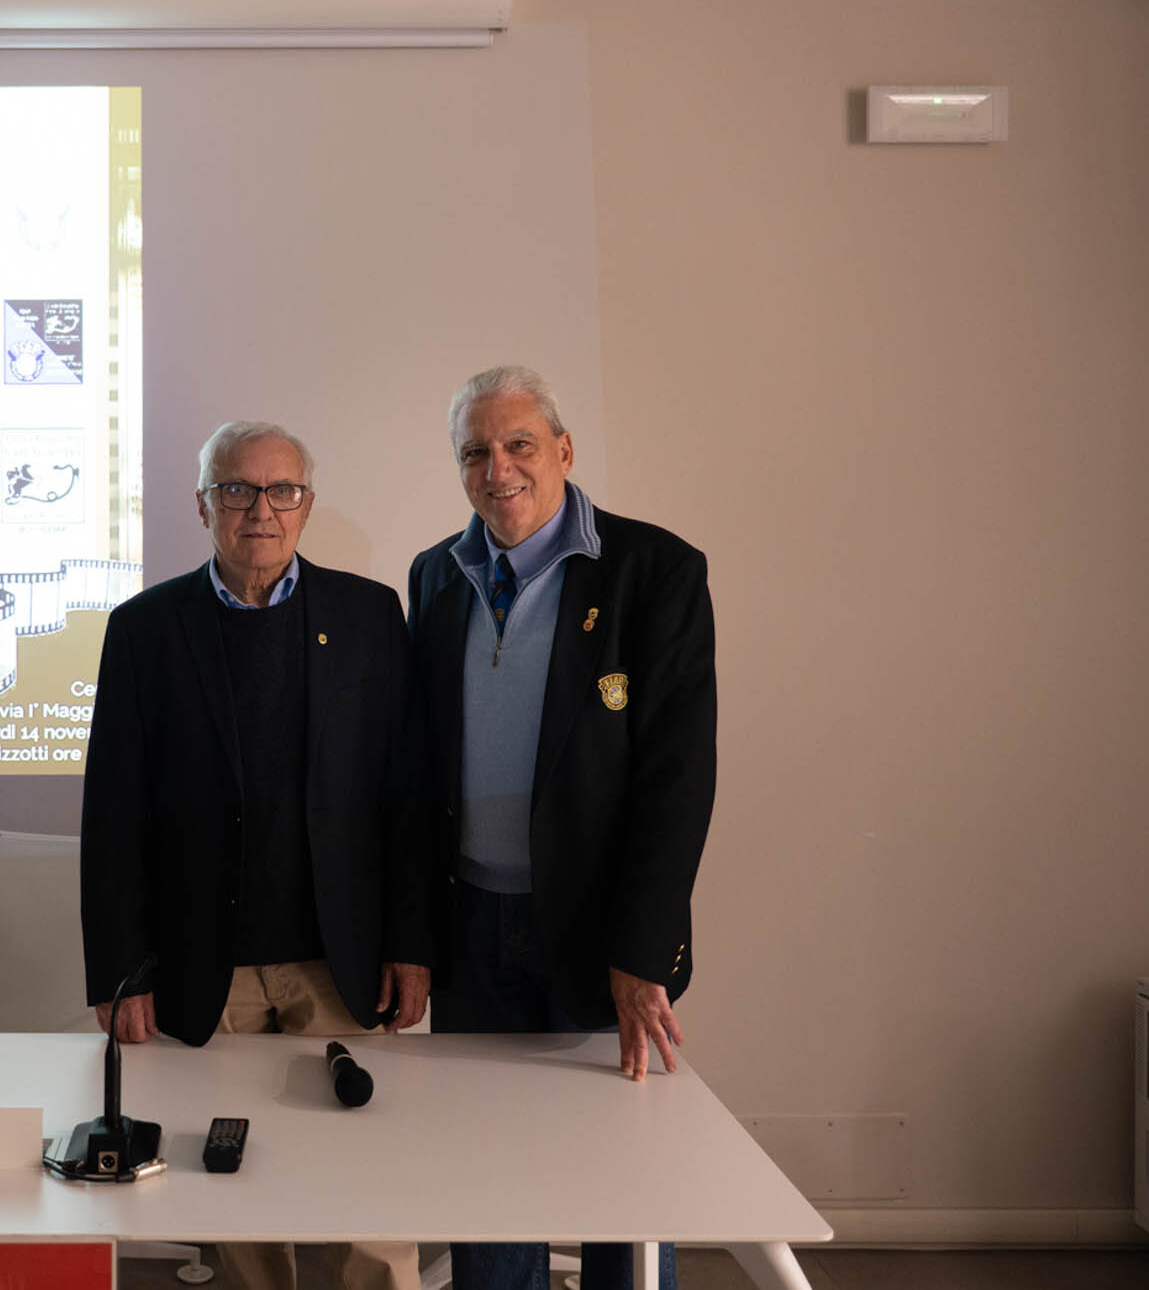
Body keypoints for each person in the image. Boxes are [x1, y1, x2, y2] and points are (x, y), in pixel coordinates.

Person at [81, 420, 435, 1290]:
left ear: (307, 505)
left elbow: (407, 795)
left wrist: (413, 941)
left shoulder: (370, 615)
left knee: (362, 1184)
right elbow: (114, 813)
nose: (260, 510)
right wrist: (121, 970)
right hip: (209, 968)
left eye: (282, 490)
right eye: (236, 489)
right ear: (203, 505)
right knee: (231, 1191)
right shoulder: (144, 628)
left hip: (342, 961)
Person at [406, 366, 717, 1290]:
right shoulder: (434, 574)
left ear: (565, 450)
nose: (497, 468)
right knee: (491, 1177)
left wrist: (643, 949)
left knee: (623, 1178)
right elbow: (417, 775)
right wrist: (412, 933)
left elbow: (678, 779)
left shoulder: (655, 571)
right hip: (472, 932)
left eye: (519, 445)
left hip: (600, 933)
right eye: (475, 452)